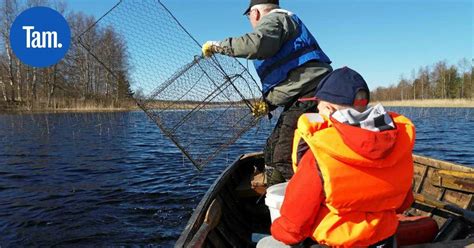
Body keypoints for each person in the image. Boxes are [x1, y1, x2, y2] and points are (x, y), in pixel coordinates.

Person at [258, 67, 415, 247]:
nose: (317, 109)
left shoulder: (319, 154)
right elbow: (404, 203)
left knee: (267, 244)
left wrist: (278, 230)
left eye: (319, 105)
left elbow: (295, 223)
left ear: (329, 109)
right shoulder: (398, 147)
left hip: (335, 243)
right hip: (384, 238)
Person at [202, 0, 333, 184]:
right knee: (271, 150)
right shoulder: (282, 25)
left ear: (254, 13)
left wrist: (217, 46)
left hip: (310, 96)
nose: (251, 21)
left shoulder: (274, 19)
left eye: (249, 16)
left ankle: (302, 205)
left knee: (283, 157)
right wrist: (269, 104)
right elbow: (290, 77)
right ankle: (274, 197)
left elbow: (256, 45)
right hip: (300, 98)